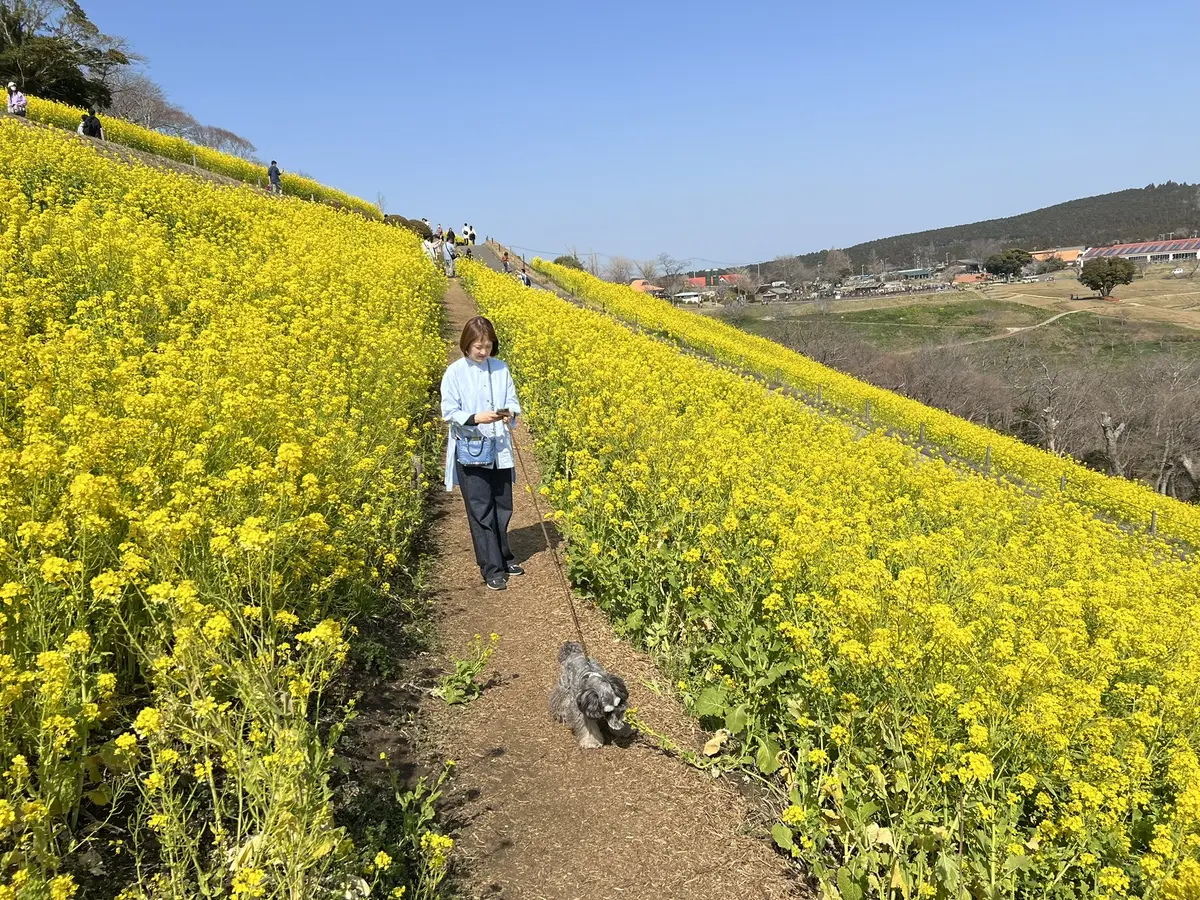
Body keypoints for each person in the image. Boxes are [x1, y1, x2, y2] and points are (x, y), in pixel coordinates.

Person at [441, 316, 523, 590]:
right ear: (466, 344)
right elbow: (448, 412)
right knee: (480, 509)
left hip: (499, 447)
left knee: (503, 506)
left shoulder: (501, 368)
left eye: (487, 345)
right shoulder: (455, 372)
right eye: (478, 346)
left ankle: (503, 555)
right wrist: (476, 417)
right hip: (471, 450)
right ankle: (491, 568)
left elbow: (512, 400)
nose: (483, 351)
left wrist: (509, 412)